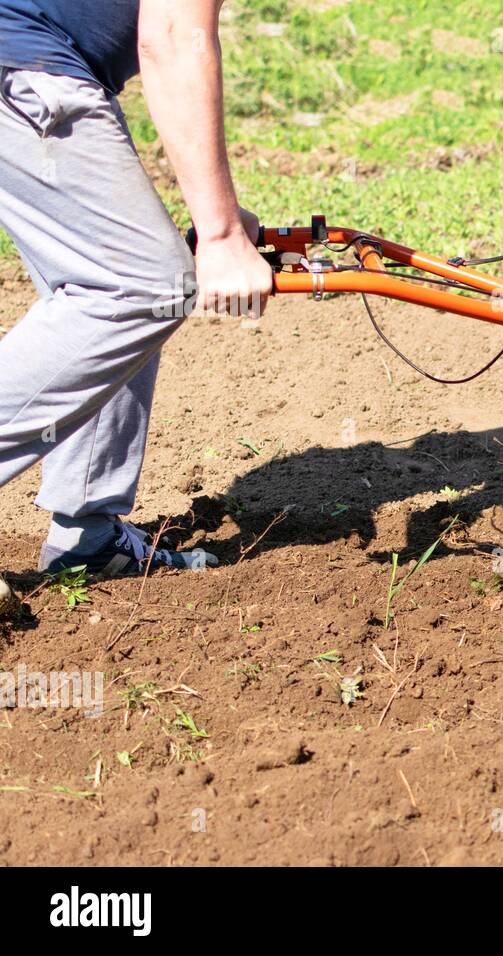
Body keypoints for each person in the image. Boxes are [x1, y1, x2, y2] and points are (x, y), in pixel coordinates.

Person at [0, 0, 271, 590]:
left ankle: (87, 538)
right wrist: (220, 234)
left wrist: (220, 214)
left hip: (41, 64)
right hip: (23, 62)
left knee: (118, 277)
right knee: (141, 284)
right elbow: (172, 35)